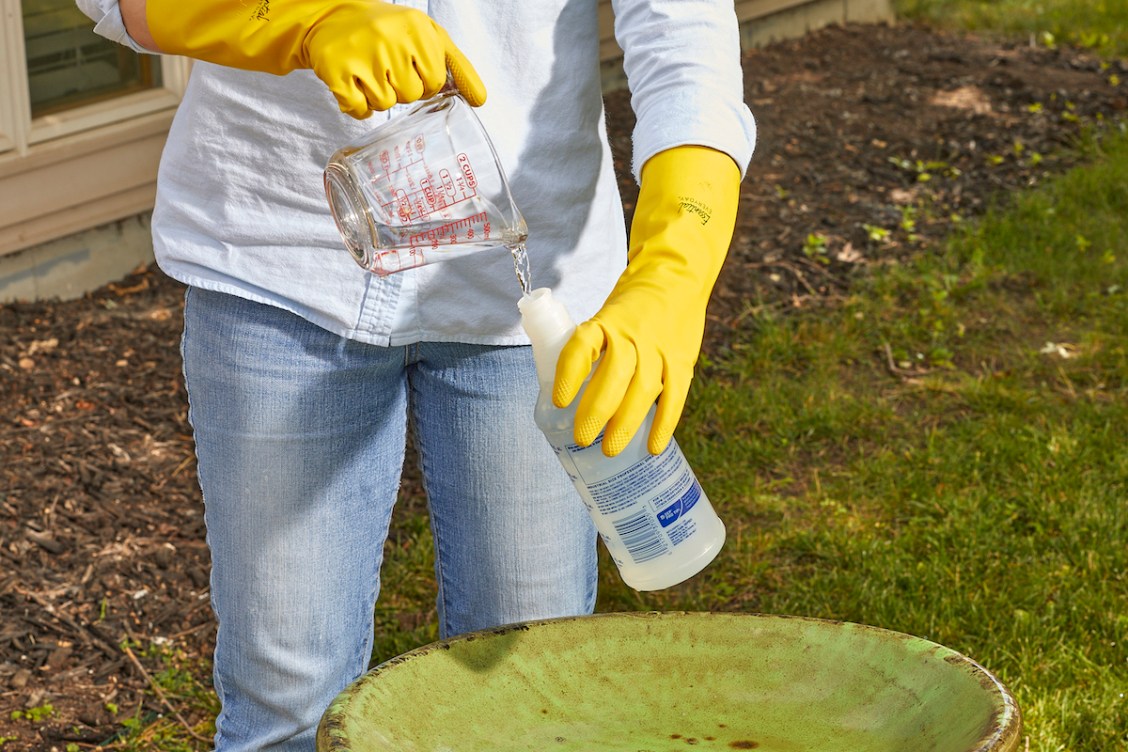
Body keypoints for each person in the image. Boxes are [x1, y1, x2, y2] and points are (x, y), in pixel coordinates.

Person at [76, 0, 756, 748]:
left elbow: (683, 34)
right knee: (288, 710)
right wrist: (297, 21)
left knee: (524, 700)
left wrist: (672, 274)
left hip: (528, 288)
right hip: (280, 258)